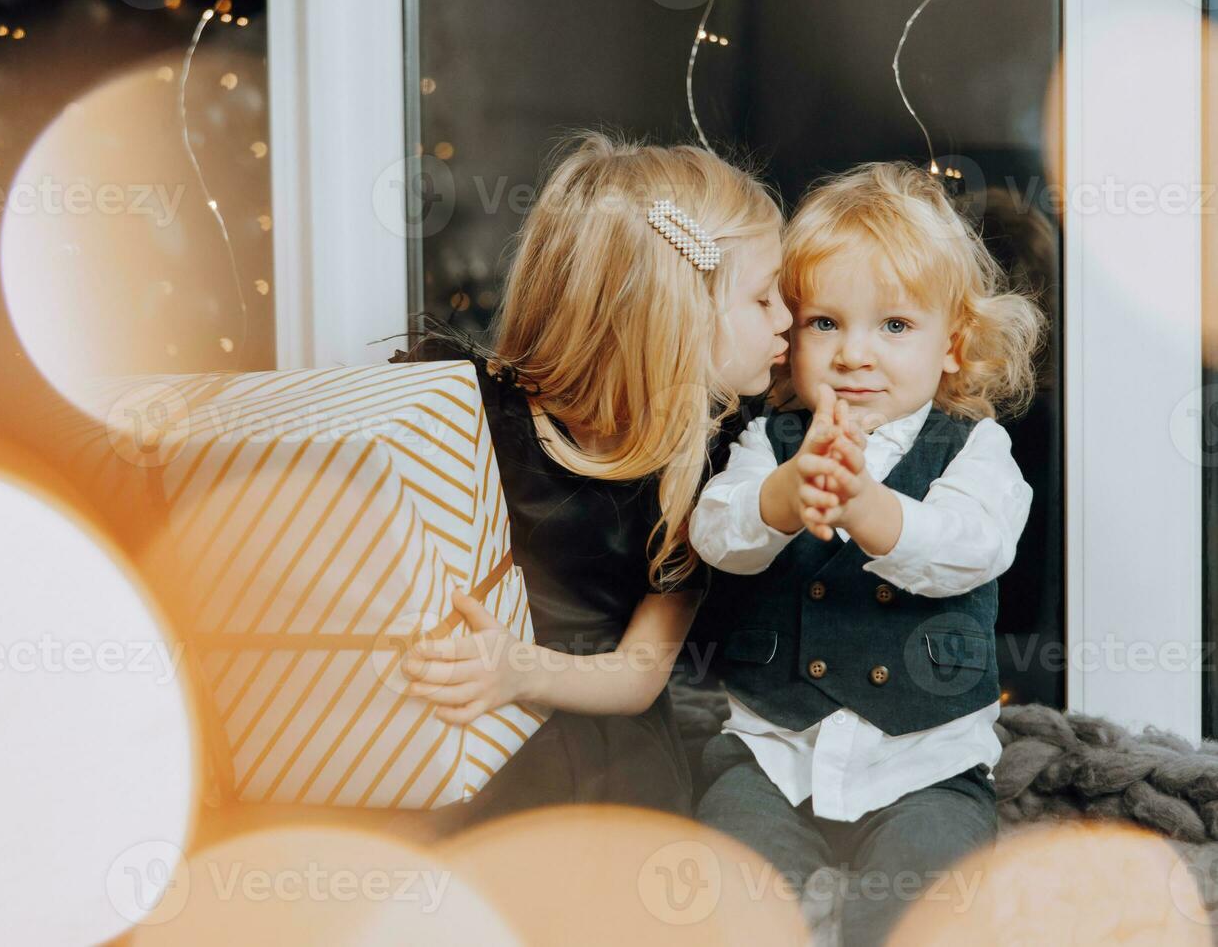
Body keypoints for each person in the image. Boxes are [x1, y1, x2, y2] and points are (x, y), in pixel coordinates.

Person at [389, 130, 789, 835]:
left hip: (598, 733)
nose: (786, 321)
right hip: (460, 725)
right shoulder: (474, 415)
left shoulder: (708, 474)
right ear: (679, 310)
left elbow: (640, 672)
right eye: (763, 301)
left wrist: (520, 671)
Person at [689, 161, 1046, 945]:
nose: (854, 354)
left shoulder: (977, 450)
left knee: (924, 904)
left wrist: (870, 509)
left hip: (925, 764)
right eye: (825, 323)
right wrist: (782, 498)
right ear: (790, 335)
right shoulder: (769, 441)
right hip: (774, 753)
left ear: (951, 345)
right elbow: (717, 534)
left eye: (893, 326)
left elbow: (972, 546)